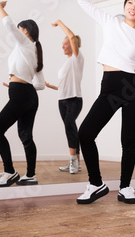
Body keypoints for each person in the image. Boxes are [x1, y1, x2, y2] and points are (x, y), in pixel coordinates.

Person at [75, 0, 135, 206]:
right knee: (86, 133)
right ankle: (96, 183)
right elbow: (83, 2)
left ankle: (125, 187)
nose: (133, 6)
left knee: (128, 141)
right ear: (125, 5)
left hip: (132, 87)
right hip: (110, 86)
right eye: (130, 2)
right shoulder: (111, 22)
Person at [0, 1, 45, 187]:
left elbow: (8, 24)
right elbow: (40, 84)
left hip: (22, 94)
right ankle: (30, 175)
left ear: (26, 31)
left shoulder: (25, 42)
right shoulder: (34, 49)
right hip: (28, 95)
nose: (18, 31)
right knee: (26, 136)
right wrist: (20, 85)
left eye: (21, 29)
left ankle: (10, 172)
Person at [45, 20, 84, 174]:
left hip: (74, 99)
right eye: (63, 43)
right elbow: (64, 85)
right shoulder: (67, 63)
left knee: (70, 126)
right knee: (71, 128)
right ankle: (77, 162)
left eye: (65, 43)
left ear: (73, 45)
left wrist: (59, 23)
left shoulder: (77, 58)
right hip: (62, 100)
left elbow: (72, 37)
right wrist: (53, 87)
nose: (63, 46)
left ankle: (73, 161)